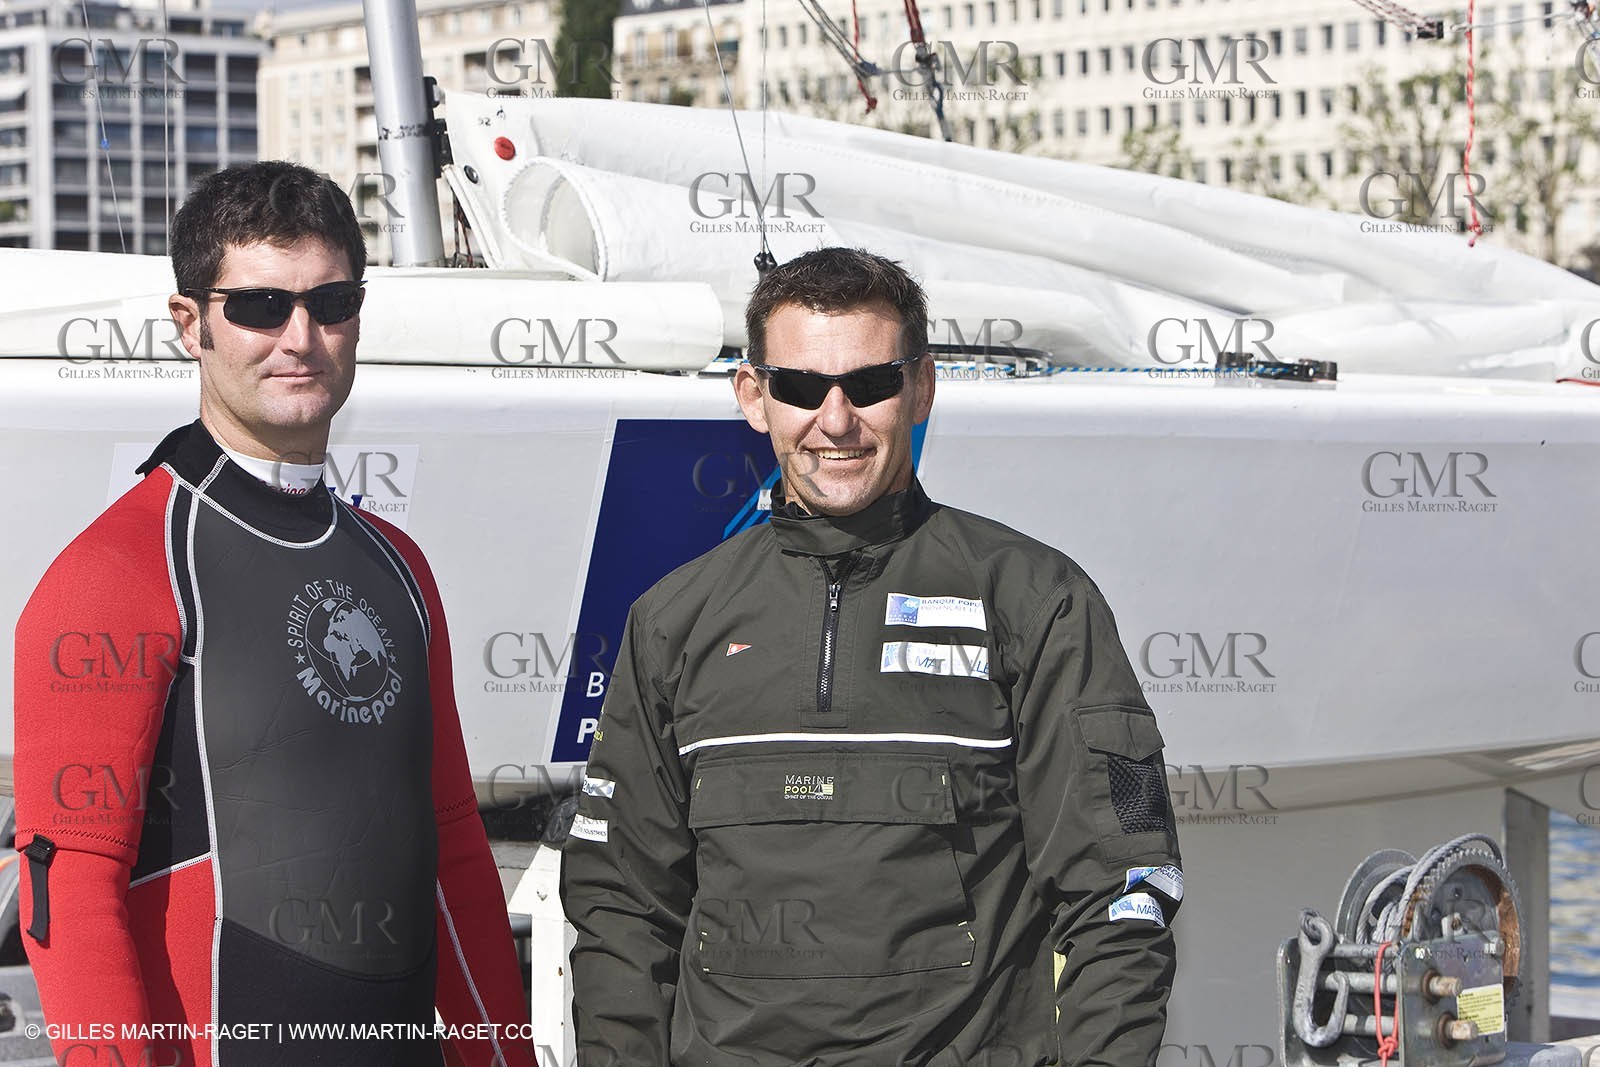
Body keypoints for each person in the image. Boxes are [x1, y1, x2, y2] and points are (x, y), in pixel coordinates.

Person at [561, 246, 1183, 1066]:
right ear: (754, 397)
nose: (836, 418)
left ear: (921, 386)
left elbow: (1123, 892)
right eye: (799, 386)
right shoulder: (672, 620)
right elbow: (621, 906)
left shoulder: (1037, 602)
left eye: (870, 383)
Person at [13, 161, 533, 1067]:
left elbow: (455, 854)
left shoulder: (398, 567)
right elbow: (68, 884)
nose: (300, 336)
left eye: (330, 302)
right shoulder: (120, 571)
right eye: (258, 307)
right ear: (191, 325)